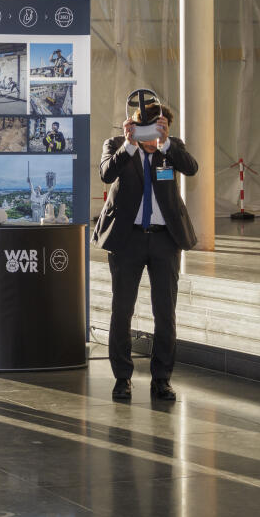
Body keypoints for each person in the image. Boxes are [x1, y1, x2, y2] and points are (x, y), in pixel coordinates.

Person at [93, 100, 198, 402]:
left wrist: (166, 144)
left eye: (161, 129)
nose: (155, 136)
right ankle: (122, 378)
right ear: (137, 125)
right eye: (151, 129)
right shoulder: (117, 144)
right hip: (128, 240)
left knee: (165, 313)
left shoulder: (171, 147)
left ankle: (161, 380)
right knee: (122, 311)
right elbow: (105, 173)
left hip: (165, 240)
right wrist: (128, 145)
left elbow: (192, 168)